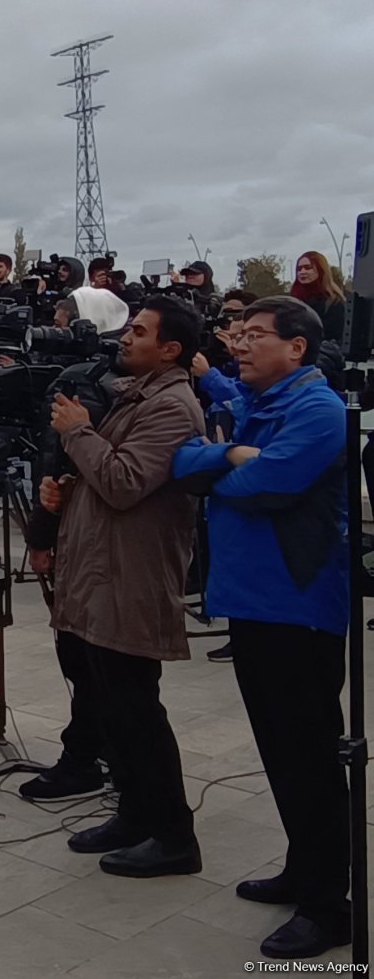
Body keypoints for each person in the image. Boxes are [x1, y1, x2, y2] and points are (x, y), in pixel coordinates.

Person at [173, 296, 351, 960]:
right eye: (236, 335)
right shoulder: (255, 404)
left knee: (310, 757)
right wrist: (231, 458)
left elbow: (269, 485)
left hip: (297, 610)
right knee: (280, 752)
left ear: (297, 347)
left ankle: (329, 906)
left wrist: (231, 463)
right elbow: (184, 464)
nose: (237, 346)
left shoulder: (317, 408)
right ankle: (304, 869)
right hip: (250, 605)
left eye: (253, 335)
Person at [31, 296, 205, 880]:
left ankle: (174, 835)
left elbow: (127, 482)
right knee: (108, 704)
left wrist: (79, 433)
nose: (125, 338)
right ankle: (134, 813)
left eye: (139, 331)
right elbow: (108, 479)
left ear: (170, 350)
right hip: (101, 571)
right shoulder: (137, 396)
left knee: (136, 710)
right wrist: (64, 491)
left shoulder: (174, 407)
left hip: (130, 578)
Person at [291, 250, 346, 348]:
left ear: (320, 270)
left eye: (308, 268)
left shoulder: (333, 302)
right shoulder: (292, 300)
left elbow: (333, 337)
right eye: (299, 269)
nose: (302, 272)